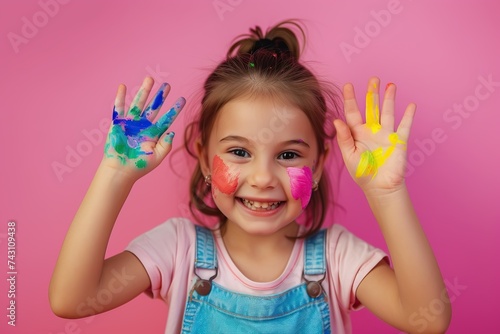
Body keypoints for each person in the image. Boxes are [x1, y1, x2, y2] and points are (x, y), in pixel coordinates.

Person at [49, 20, 451, 333]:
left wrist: (387, 193)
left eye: (288, 154)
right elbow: (71, 299)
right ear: (205, 159)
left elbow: (427, 320)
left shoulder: (337, 258)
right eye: (240, 152)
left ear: (317, 164)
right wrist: (114, 174)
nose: (262, 178)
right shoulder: (178, 250)